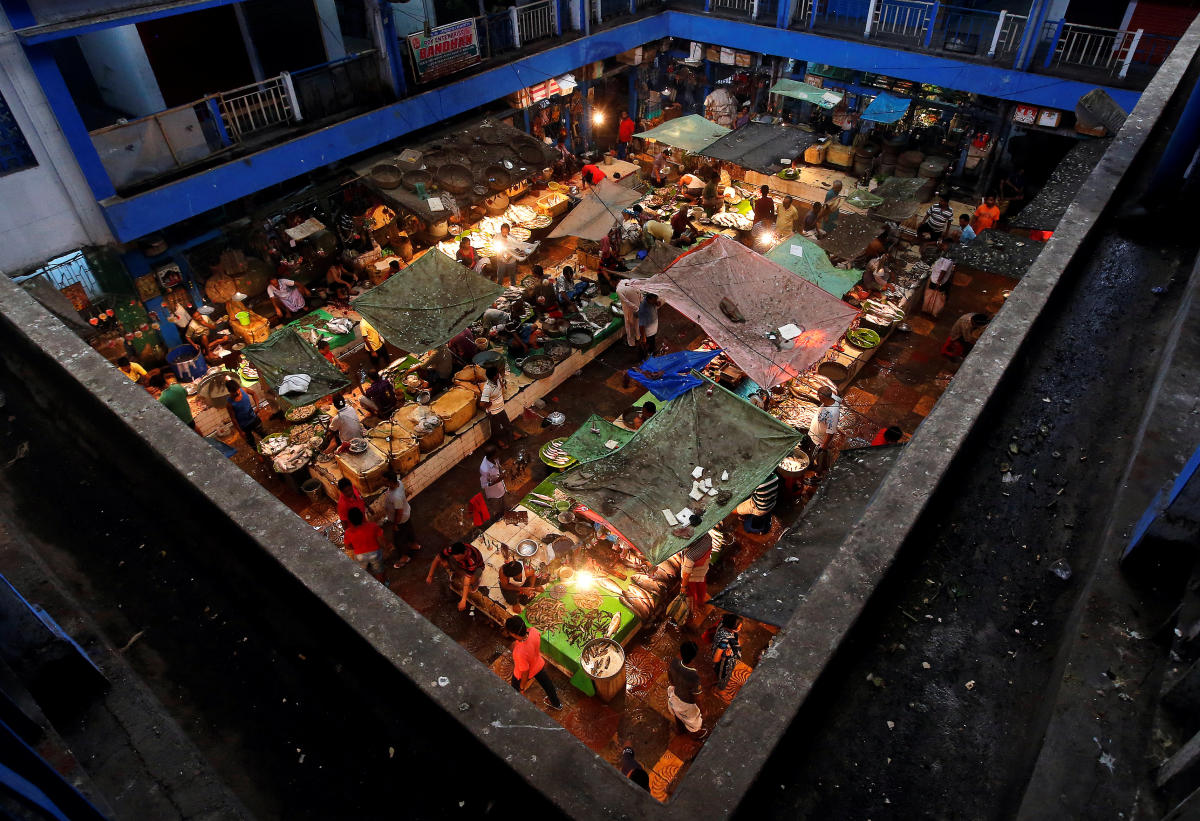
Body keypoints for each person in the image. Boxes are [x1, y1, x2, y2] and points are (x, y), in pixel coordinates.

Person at [504, 616, 562, 709]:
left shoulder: (519, 652)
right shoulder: (533, 631)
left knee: (515, 687)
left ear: (514, 634)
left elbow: (525, 672)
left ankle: (515, 703)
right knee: (548, 685)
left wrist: (522, 687)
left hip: (522, 673)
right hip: (537, 664)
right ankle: (557, 704)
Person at [427, 541, 485, 612]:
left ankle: (475, 580)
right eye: (456, 558)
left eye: (459, 558)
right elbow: (437, 558)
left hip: (477, 568)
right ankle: (459, 573)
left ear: (465, 553)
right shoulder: (451, 549)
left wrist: (463, 600)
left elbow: (467, 580)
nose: (457, 559)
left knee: (470, 581)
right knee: (444, 562)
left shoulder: (471, 560)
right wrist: (430, 575)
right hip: (463, 566)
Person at [667, 641, 708, 739]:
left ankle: (679, 729)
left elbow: (670, 677)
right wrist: (703, 711)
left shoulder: (674, 662)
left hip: (675, 697)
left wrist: (677, 684)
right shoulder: (694, 676)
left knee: (677, 714)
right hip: (687, 704)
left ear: (680, 653)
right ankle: (695, 733)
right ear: (694, 657)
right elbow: (697, 698)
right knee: (693, 723)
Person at [380, 471, 419, 568]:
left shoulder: (395, 497)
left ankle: (405, 557)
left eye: (385, 481)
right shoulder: (399, 483)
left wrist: (395, 524)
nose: (382, 482)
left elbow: (399, 512)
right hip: (407, 514)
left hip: (400, 519)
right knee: (409, 530)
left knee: (398, 540)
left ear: (391, 482)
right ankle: (414, 545)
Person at [678, 523, 713, 618]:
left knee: (691, 594)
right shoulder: (707, 537)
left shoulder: (690, 556)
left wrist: (683, 587)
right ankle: (701, 601)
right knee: (701, 587)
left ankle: (694, 610)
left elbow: (686, 573)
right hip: (703, 570)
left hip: (691, 577)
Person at [481, 367, 522, 446]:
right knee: (496, 428)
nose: (498, 374)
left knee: (506, 422)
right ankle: (498, 441)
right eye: (497, 374)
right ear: (493, 377)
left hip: (500, 407)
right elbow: (482, 403)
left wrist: (501, 382)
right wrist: (488, 404)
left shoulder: (497, 378)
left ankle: (512, 433)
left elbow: (502, 386)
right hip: (493, 412)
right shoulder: (487, 388)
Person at [343, 506, 386, 580]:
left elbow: (347, 546)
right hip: (375, 552)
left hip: (360, 555)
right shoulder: (373, 526)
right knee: (379, 572)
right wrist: (385, 547)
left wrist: (356, 547)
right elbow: (381, 539)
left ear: (350, 521)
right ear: (362, 516)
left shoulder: (348, 532)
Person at [806, 385, 842, 472]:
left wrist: (824, 446)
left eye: (819, 397)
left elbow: (831, 432)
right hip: (813, 434)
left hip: (818, 441)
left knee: (815, 456)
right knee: (811, 452)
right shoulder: (833, 398)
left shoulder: (833, 413)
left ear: (824, 398)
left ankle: (816, 471)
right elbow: (841, 400)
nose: (818, 398)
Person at [225, 379, 265, 449]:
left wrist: (257, 406)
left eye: (237, 390)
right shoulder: (229, 404)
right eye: (234, 392)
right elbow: (233, 419)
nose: (237, 392)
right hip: (244, 426)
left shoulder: (243, 390)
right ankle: (258, 455)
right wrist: (240, 432)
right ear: (230, 392)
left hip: (254, 419)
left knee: (264, 434)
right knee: (252, 443)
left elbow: (253, 393)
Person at [711, 613, 742, 691]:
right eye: (738, 628)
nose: (740, 629)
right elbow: (715, 660)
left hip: (715, 648)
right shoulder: (724, 642)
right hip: (723, 663)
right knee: (722, 676)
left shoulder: (722, 624)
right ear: (731, 628)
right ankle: (720, 686)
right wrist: (725, 655)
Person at [922, 244, 954, 318]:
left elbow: (943, 271)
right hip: (936, 279)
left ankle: (931, 312)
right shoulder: (945, 256)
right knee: (932, 295)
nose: (942, 246)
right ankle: (929, 310)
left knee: (934, 296)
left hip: (937, 280)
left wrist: (938, 282)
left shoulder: (947, 259)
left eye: (944, 245)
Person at [479, 443, 508, 522]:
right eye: (497, 453)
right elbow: (484, 485)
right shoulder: (484, 469)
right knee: (495, 510)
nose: (499, 453)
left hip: (501, 489)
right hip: (494, 494)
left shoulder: (495, 459)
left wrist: (502, 472)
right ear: (492, 455)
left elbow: (499, 467)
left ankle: (503, 514)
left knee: (503, 505)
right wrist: (498, 480)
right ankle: (494, 521)